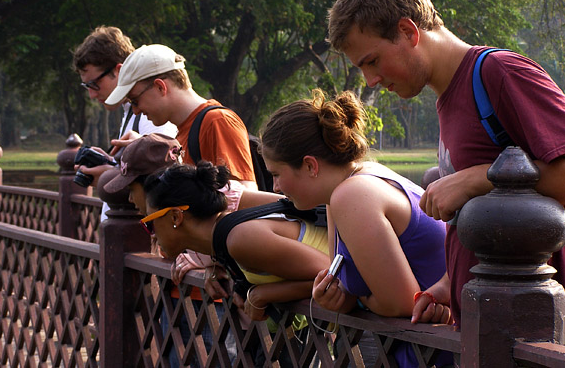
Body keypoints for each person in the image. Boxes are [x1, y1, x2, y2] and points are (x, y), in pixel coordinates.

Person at [326, 0, 565, 328]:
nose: (371, 80)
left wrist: (476, 179)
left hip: (534, 333)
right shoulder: (448, 99)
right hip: (486, 329)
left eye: (372, 61)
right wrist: (446, 285)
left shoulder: (498, 73)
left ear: (408, 31)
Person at [260, 89, 451, 367]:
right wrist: (341, 298)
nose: (275, 187)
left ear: (310, 165)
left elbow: (401, 303)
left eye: (276, 175)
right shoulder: (349, 186)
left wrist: (359, 299)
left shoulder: (353, 194)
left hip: (434, 352)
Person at [142, 161, 329, 366]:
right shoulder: (226, 240)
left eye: (149, 224)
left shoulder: (240, 238)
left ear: (176, 216)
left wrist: (262, 294)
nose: (151, 234)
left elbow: (334, 274)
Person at [104, 43, 257, 190]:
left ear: (160, 87)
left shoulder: (218, 121)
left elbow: (246, 195)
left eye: (135, 101)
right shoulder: (182, 132)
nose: (135, 111)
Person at [71, 26, 177, 221]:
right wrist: (112, 165)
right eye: (87, 86)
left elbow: (162, 179)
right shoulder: (130, 112)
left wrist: (111, 176)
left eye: (94, 84)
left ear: (119, 71)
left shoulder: (150, 114)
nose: (92, 94)